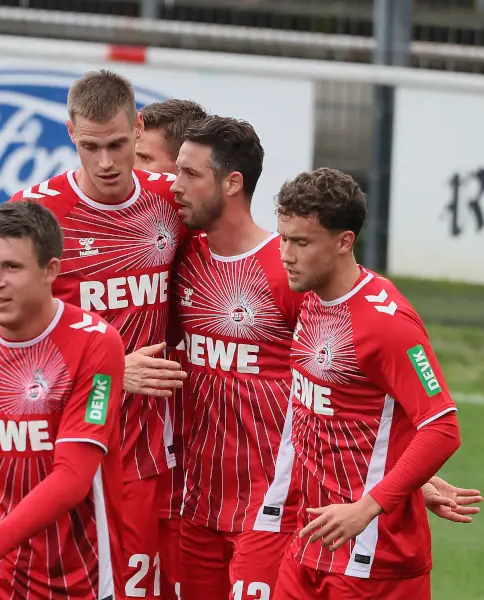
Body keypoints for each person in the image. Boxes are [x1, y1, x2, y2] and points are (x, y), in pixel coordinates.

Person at [7, 70, 188, 599]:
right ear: (70, 135)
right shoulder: (35, 215)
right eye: (90, 146)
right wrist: (109, 367)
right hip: (60, 444)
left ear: (137, 129)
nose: (105, 162)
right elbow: (8, 341)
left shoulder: (170, 203)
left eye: (116, 144)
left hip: (148, 450)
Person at [271, 167, 468, 599]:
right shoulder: (311, 298)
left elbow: (442, 426)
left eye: (302, 242)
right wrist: (410, 479)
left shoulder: (387, 325)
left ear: (344, 242)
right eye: (283, 237)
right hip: (311, 540)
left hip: (373, 559)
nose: (286, 253)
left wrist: (370, 505)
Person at [0, 200, 128, 599]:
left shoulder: (96, 344)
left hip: (71, 574)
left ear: (50, 271)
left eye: (12, 267)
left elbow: (73, 478)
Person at [169, 115, 304, 600]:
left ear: (232, 183)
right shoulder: (181, 260)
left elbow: (349, 381)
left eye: (189, 174)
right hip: (194, 504)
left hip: (271, 506)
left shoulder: (287, 270)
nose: (174, 185)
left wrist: (407, 473)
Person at [135, 98, 209, 600]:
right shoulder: (124, 255)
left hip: (207, 486)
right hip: (137, 472)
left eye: (145, 162)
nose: (126, 175)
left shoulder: (233, 269)